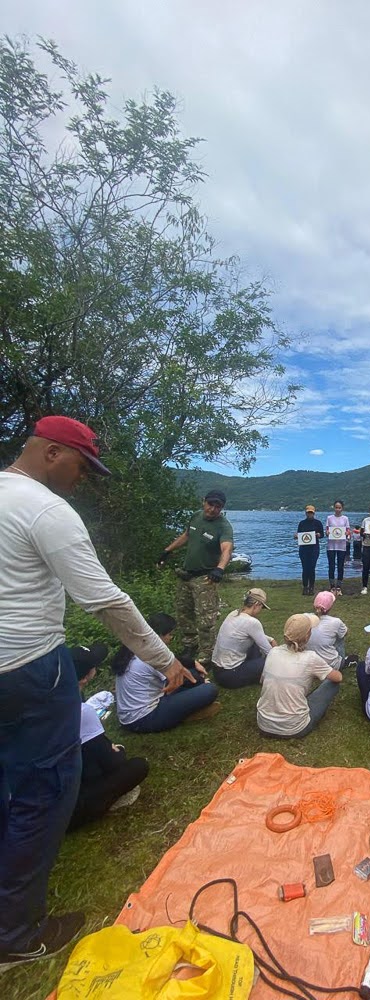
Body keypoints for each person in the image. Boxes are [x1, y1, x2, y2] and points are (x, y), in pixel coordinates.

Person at [0, 415, 193, 969]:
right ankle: (14, 934)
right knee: (44, 791)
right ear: (52, 453)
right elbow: (106, 601)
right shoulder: (45, 509)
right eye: (83, 465)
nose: (83, 478)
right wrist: (165, 659)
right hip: (28, 669)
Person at [68, 645, 149, 831]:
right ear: (86, 676)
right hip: (69, 810)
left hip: (40, 798)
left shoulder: (48, 703)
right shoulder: (82, 712)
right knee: (138, 765)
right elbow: (114, 762)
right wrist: (117, 750)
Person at [158, 489, 234, 662]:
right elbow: (186, 535)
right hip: (186, 575)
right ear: (203, 501)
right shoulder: (195, 516)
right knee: (184, 613)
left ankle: (206, 655)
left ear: (222, 508)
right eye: (210, 504)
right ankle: (190, 646)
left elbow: (226, 549)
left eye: (217, 506)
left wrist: (220, 569)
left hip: (206, 578)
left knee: (206, 619)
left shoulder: (223, 526)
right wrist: (167, 551)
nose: (213, 509)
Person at [114, 614, 220, 733]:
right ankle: (183, 714)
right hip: (144, 718)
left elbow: (174, 660)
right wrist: (201, 682)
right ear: (159, 635)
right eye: (169, 634)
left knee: (193, 675)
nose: (171, 637)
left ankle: (183, 708)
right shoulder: (151, 657)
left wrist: (193, 665)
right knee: (209, 690)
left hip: (135, 711)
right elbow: (179, 676)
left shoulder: (136, 648)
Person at [256, 614, 342, 738]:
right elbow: (338, 677)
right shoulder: (311, 658)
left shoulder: (273, 652)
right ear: (307, 636)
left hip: (264, 724)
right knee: (332, 684)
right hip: (295, 728)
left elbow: (262, 681)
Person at [211, 588, 275, 688]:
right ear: (256, 605)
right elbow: (270, 652)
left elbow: (256, 635)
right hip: (230, 675)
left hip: (217, 671)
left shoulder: (234, 613)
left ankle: (256, 668)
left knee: (254, 643)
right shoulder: (252, 622)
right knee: (270, 662)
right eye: (261, 607)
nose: (260, 611)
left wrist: (271, 639)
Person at [305, 591, 348, 669]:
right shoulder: (336, 622)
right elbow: (345, 633)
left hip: (308, 664)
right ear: (330, 607)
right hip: (330, 666)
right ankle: (340, 660)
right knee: (340, 636)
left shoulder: (304, 617)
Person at [294, 505, 325, 596]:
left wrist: (319, 535)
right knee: (305, 568)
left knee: (312, 568)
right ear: (306, 513)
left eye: (311, 512)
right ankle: (305, 587)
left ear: (314, 513)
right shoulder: (302, 523)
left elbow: (322, 535)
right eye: (308, 512)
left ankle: (311, 587)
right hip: (303, 549)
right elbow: (299, 534)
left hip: (314, 549)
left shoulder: (318, 523)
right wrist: (296, 536)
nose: (309, 514)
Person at [325, 500, 350, 595]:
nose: (338, 509)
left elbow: (348, 531)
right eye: (336, 507)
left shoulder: (345, 518)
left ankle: (339, 587)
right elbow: (327, 530)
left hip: (341, 546)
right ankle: (332, 586)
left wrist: (347, 533)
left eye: (339, 507)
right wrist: (327, 533)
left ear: (342, 508)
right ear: (334, 508)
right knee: (331, 566)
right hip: (331, 546)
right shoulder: (329, 518)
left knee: (340, 566)